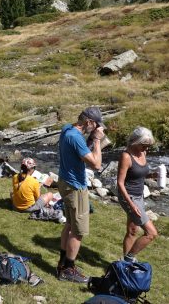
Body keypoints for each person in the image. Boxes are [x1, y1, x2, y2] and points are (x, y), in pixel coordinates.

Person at [56, 106, 106, 283]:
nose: (97, 128)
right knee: (78, 231)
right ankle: (68, 270)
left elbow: (77, 149)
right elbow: (96, 165)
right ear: (89, 122)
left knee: (69, 224)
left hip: (64, 181)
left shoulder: (67, 129)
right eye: (96, 125)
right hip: (75, 186)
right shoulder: (76, 138)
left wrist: (91, 137)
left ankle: (62, 263)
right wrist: (98, 141)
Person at [116, 126, 159, 262]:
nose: (146, 149)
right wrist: (131, 204)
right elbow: (120, 183)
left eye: (148, 146)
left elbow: (139, 174)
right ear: (135, 142)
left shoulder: (143, 153)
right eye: (144, 146)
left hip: (138, 196)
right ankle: (129, 258)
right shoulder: (126, 156)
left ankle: (125, 265)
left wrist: (153, 175)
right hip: (129, 197)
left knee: (132, 230)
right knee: (151, 233)